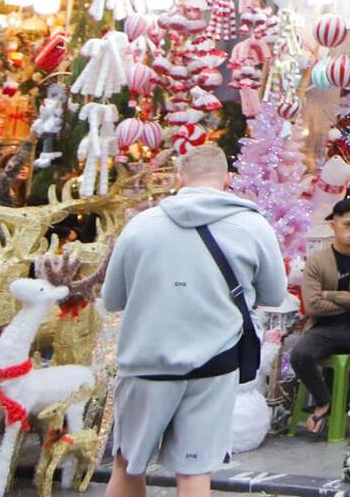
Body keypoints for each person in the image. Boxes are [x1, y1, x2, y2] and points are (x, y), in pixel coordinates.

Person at [101, 143, 286, 497]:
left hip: (146, 364)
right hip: (213, 364)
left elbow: (112, 300)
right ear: (227, 180)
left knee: (128, 465)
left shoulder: (141, 226)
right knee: (194, 470)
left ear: (179, 178)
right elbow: (274, 295)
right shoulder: (252, 226)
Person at [285, 197, 350, 436]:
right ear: (334, 226)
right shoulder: (317, 261)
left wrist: (331, 295)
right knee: (300, 355)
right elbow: (312, 306)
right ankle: (324, 400)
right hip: (323, 328)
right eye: (347, 225)